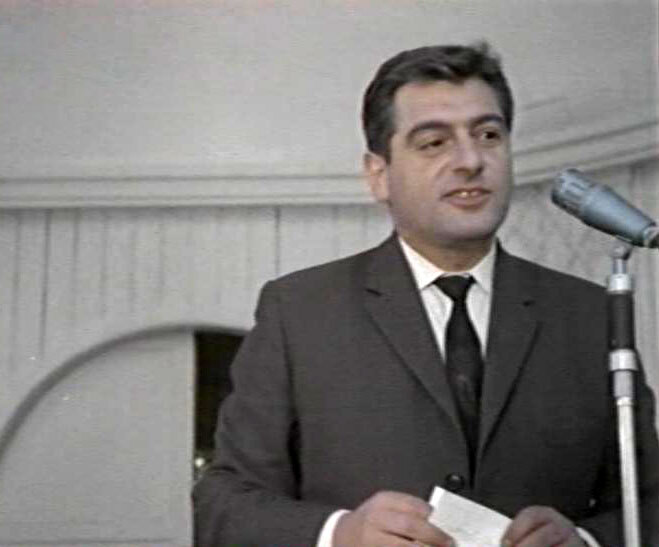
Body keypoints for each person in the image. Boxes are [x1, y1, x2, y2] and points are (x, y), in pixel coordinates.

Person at [192, 42, 659, 547]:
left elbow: (649, 501)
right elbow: (223, 504)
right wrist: (340, 533)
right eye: (434, 142)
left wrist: (586, 540)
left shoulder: (589, 314)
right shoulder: (300, 311)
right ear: (379, 175)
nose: (470, 160)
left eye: (488, 135)